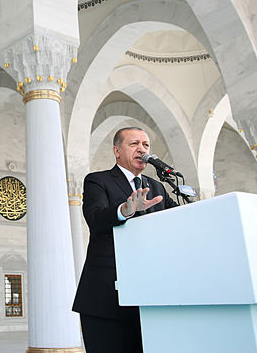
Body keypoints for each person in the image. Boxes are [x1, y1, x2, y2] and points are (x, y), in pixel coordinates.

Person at [72, 127, 178, 353]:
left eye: (146, 145)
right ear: (117, 151)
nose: (142, 149)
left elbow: (177, 220)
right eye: (134, 144)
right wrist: (125, 209)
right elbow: (95, 218)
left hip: (149, 295)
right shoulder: (98, 181)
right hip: (106, 296)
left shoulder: (157, 187)